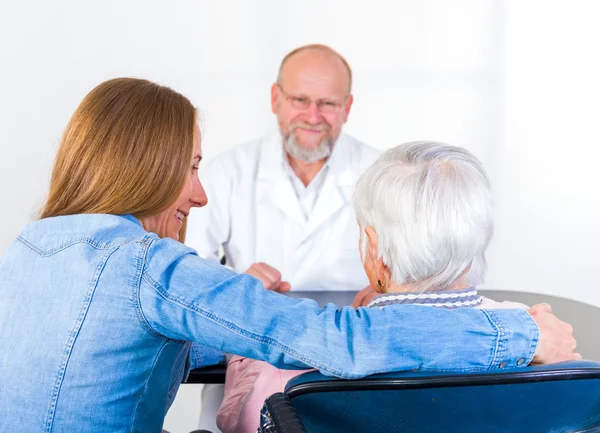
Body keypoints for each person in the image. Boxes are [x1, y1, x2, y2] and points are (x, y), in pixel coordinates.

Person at [0, 78, 578, 433]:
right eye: (193, 168)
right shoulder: (149, 266)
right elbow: (347, 344)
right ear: (145, 166)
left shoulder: (28, 249)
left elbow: (113, 341)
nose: (200, 195)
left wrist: (230, 305)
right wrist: (524, 336)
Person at [216, 141, 568, 433]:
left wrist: (248, 343)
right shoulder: (538, 337)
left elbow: (243, 421)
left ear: (374, 246)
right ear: (477, 235)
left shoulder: (289, 370)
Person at [185, 44, 379, 431]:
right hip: (252, 360)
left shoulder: (383, 172)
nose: (312, 116)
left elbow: (420, 264)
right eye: (300, 100)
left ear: (348, 107)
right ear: (275, 99)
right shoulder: (228, 170)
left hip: (353, 362)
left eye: (327, 103)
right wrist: (238, 288)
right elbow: (186, 263)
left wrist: (390, 290)